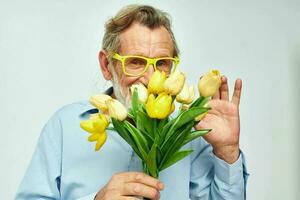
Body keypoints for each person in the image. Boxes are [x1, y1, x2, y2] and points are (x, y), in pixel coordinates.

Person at [16, 4, 249, 200]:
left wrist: (227, 152)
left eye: (162, 63)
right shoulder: (64, 126)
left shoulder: (190, 133)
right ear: (107, 65)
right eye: (135, 62)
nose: (150, 79)